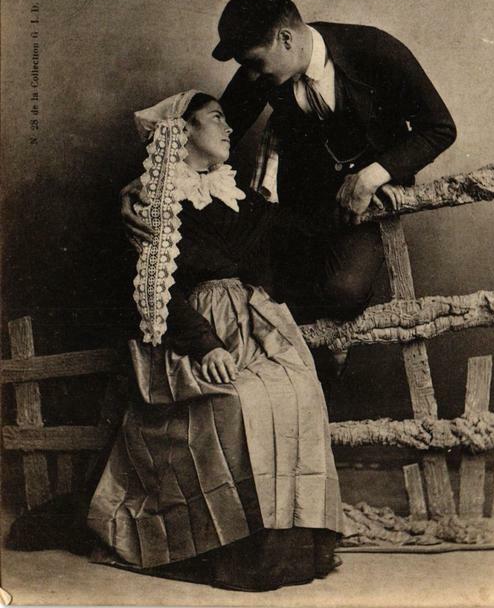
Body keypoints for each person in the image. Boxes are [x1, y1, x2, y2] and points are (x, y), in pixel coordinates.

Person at [88, 90, 344, 592]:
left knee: (299, 388)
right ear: (181, 132)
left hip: (252, 325)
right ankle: (232, 549)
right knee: (238, 401)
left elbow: (294, 230)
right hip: (184, 336)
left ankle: (290, 547)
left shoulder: (235, 195)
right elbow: (155, 292)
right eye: (217, 119)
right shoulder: (151, 203)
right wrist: (205, 345)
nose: (229, 129)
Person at [121, 0, 456, 326]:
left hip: (365, 199)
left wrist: (376, 174)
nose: (251, 76)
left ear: (285, 39)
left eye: (254, 63)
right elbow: (201, 135)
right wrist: (147, 184)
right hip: (298, 208)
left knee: (343, 291)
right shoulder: (260, 74)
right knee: (263, 294)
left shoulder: (374, 49)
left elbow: (440, 127)